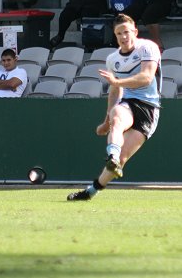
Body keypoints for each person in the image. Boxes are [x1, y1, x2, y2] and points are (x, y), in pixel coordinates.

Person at [67, 13, 162, 201]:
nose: (123, 37)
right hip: (129, 103)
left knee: (123, 160)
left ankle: (92, 190)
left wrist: (117, 81)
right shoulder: (112, 59)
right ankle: (111, 157)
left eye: (126, 32)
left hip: (149, 109)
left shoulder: (148, 48)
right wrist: (106, 121)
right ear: (115, 35)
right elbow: (114, 91)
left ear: (134, 31)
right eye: (119, 33)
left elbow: (146, 77)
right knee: (117, 115)